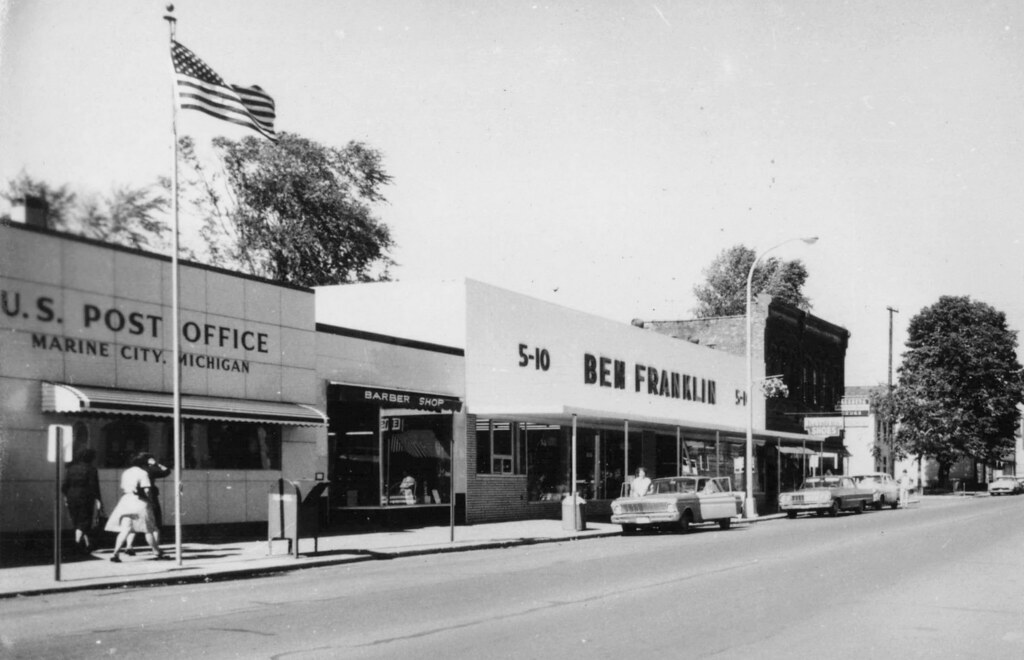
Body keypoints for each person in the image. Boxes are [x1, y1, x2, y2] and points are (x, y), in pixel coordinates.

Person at [105, 453, 164, 562]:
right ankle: (157, 552)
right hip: (140, 502)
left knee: (125, 529)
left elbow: (123, 487)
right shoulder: (143, 473)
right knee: (149, 529)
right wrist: (151, 501)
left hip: (126, 501)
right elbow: (146, 490)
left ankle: (115, 553)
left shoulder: (126, 472)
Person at [125, 453, 171, 555]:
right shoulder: (149, 471)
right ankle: (155, 548)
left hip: (132, 499)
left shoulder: (130, 471)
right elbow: (166, 471)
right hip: (149, 499)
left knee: (132, 524)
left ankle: (129, 546)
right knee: (154, 525)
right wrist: (156, 463)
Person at [61, 448, 102, 555]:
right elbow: (94, 486)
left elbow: (64, 486)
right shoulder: (91, 469)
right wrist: (99, 500)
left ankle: (88, 545)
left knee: (77, 521)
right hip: (85, 497)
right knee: (85, 521)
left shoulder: (71, 468)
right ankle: (76, 544)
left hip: (71, 496)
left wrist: (66, 498)